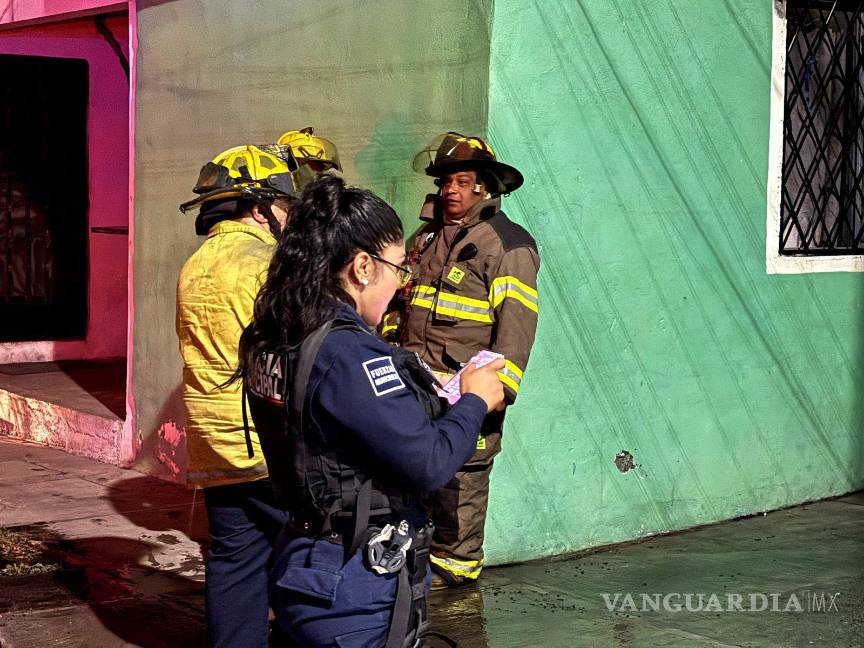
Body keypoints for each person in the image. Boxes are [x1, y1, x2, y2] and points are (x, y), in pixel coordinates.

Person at [238, 174, 506, 648]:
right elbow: (427, 463)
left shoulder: (273, 331)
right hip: (354, 581)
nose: (401, 285)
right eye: (398, 268)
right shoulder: (346, 353)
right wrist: (474, 400)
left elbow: (330, 428)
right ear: (362, 266)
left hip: (303, 557)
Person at [176, 136, 340, 648]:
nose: (289, 213)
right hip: (266, 445)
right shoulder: (263, 263)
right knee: (318, 554)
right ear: (257, 206)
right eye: (283, 202)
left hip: (214, 445)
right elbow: (307, 348)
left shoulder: (195, 266)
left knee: (234, 561)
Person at [393, 132, 540, 589]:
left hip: (467, 392)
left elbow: (515, 329)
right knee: (417, 473)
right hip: (416, 387)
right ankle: (417, 562)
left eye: (462, 182)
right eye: (446, 183)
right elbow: (400, 302)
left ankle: (456, 571)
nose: (450, 191)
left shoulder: (507, 245)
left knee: (464, 480)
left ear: (485, 188)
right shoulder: (428, 238)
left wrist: (496, 392)